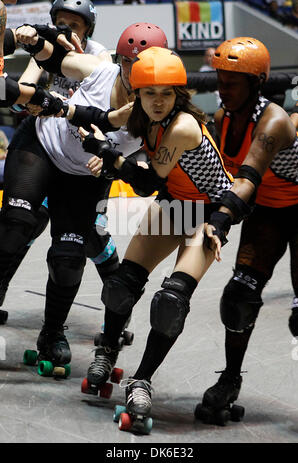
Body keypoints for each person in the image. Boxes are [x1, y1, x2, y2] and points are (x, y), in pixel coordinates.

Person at [77, 46, 235, 425]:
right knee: (121, 285)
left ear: (179, 95)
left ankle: (141, 381)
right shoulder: (137, 113)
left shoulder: (181, 126)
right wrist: (53, 108)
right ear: (137, 94)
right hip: (174, 203)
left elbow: (146, 182)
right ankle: (107, 349)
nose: (159, 101)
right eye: (150, 93)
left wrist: (108, 155)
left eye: (167, 93)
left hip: (206, 215)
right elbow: (97, 115)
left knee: (170, 302)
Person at [0, 23, 169, 369]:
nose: (136, 76)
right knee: (17, 224)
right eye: (129, 65)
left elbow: (147, 184)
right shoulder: (100, 71)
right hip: (41, 148)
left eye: (146, 71)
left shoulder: (158, 115)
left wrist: (113, 163)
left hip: (81, 179)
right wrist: (34, 39)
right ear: (120, 61)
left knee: (68, 259)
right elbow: (54, 58)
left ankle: (51, 334)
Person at [196, 37, 298, 423]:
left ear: (256, 84)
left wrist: (220, 220)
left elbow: (249, 175)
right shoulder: (223, 120)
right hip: (269, 214)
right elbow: (221, 178)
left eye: (232, 82)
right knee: (239, 297)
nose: (222, 89)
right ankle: (229, 381)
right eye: (220, 80)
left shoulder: (273, 120)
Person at [0, 0, 112, 320]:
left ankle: (116, 311)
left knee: (86, 243)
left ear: (87, 30)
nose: (66, 30)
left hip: (84, 159)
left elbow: (103, 97)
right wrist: (27, 101)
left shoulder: (99, 55)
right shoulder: (48, 46)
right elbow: (29, 84)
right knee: (20, 225)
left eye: (73, 26)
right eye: (60, 22)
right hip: (45, 146)